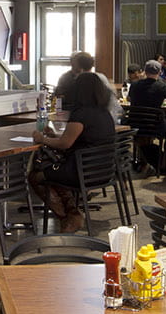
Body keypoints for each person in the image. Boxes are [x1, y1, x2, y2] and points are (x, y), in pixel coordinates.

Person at [29, 66, 116, 232]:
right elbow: (73, 140)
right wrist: (53, 137)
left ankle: (68, 216)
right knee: (55, 174)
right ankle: (72, 214)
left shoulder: (81, 114)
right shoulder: (104, 113)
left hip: (81, 172)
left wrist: (42, 139)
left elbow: (65, 144)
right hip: (103, 171)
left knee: (36, 176)